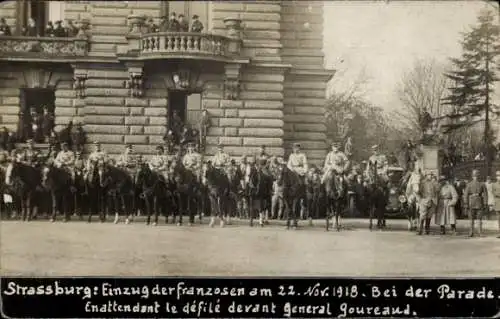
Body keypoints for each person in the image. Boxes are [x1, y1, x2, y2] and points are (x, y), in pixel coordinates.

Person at [463, 169, 488, 237]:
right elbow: (465, 195)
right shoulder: (469, 184)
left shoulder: (482, 184)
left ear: (479, 176)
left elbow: (485, 194)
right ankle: (471, 232)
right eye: (474, 175)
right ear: (472, 176)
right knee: (471, 218)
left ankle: (480, 232)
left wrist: (485, 203)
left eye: (477, 175)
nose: (475, 177)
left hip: (479, 203)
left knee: (479, 218)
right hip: (471, 203)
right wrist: (466, 203)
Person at [491, 171, 500, 239]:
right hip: (498, 203)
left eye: (499, 175)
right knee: (499, 219)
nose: (498, 177)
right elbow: (493, 193)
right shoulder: (494, 184)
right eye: (497, 175)